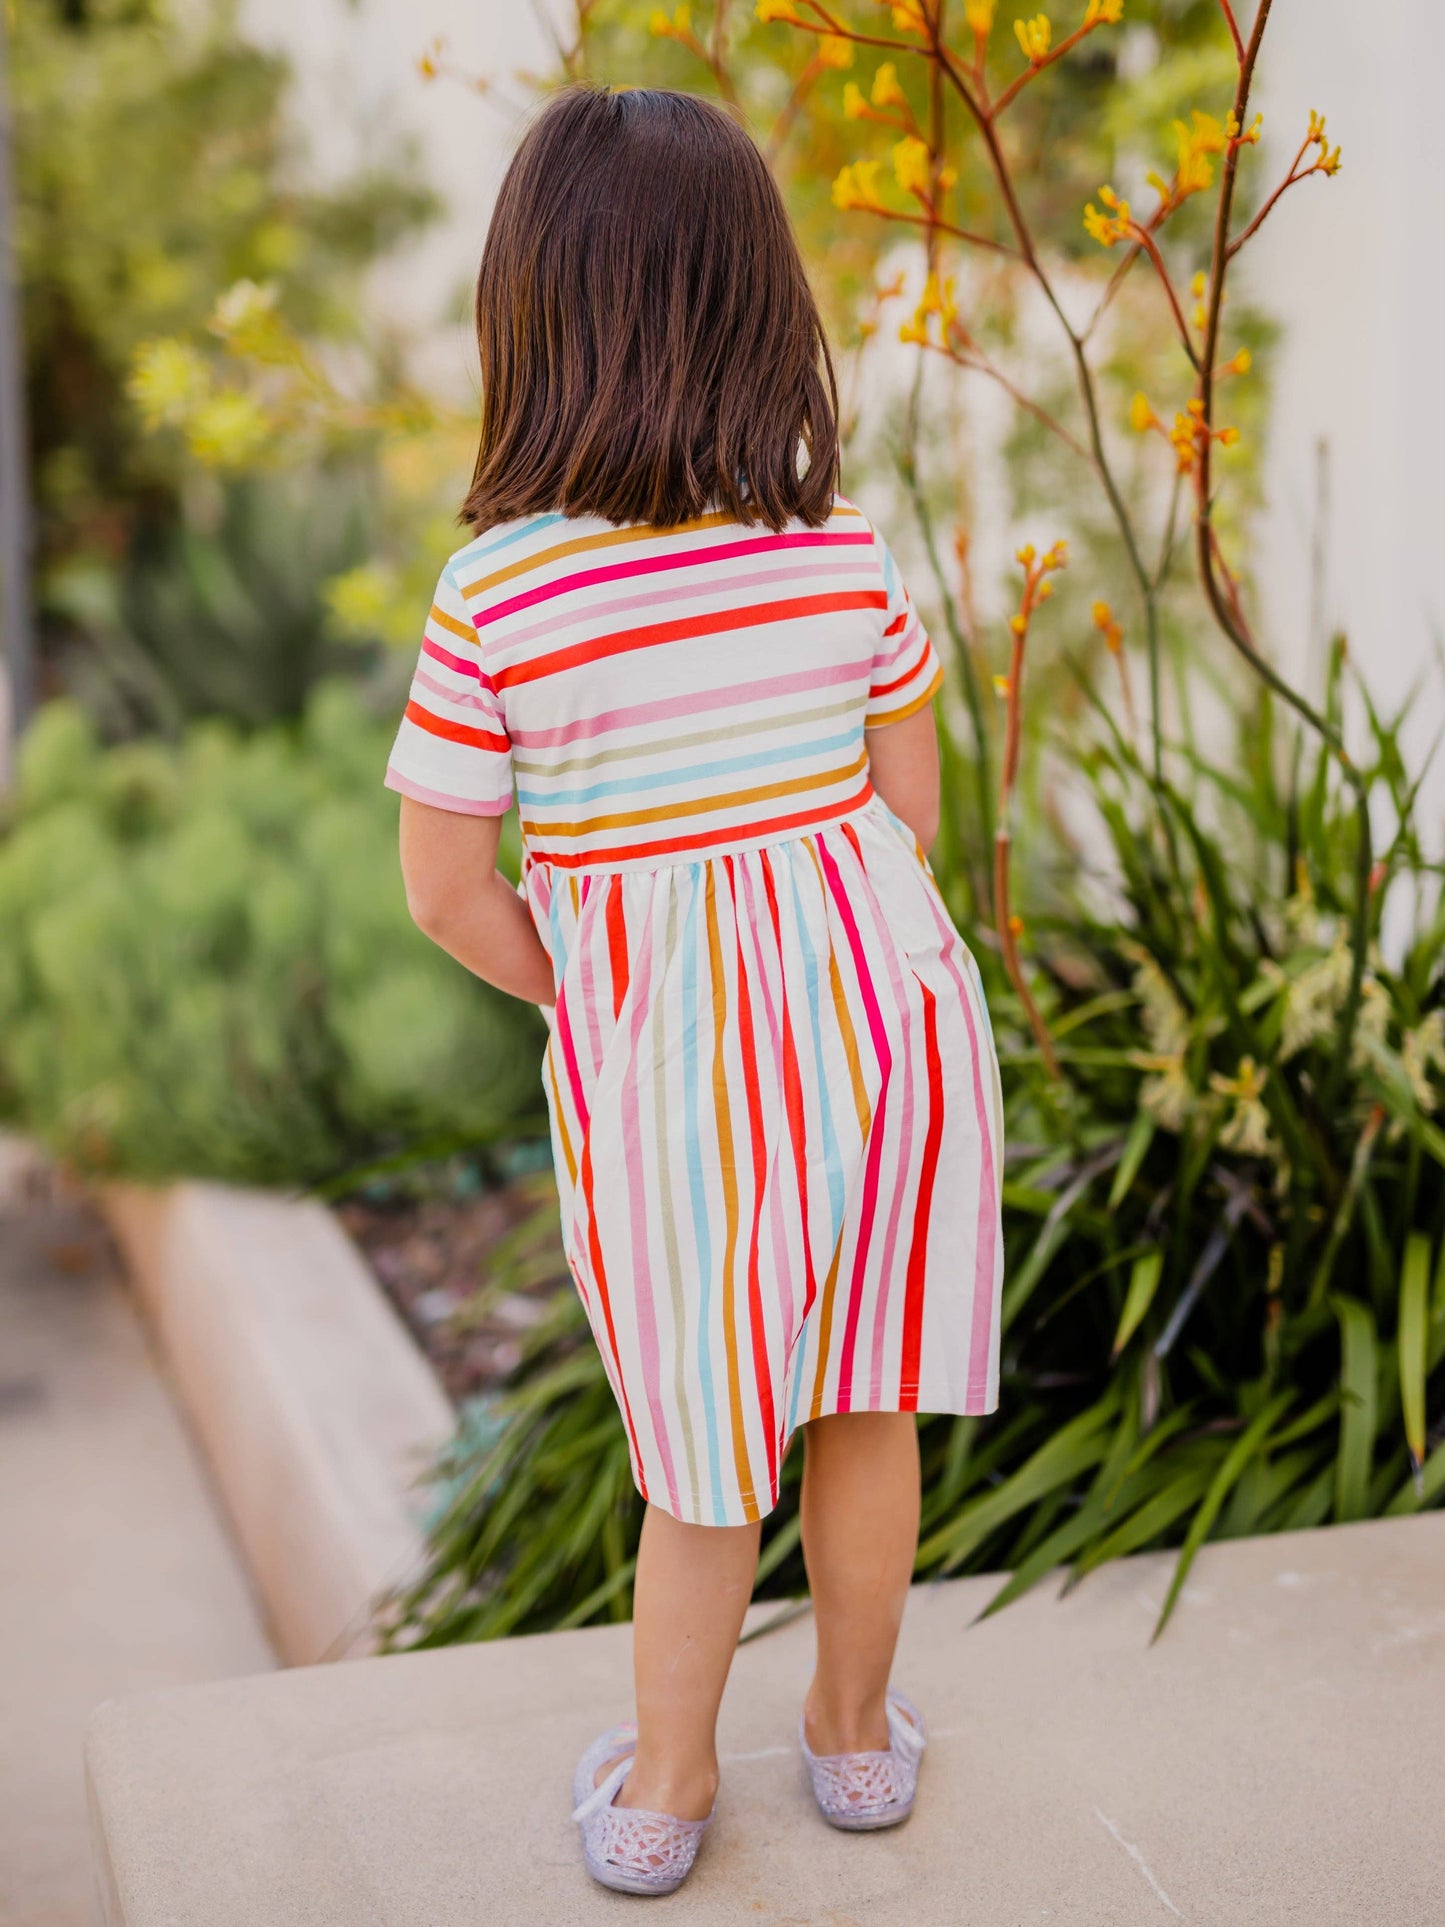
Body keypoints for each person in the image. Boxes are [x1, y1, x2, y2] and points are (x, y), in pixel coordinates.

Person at [388, 82, 1003, 1898]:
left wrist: (593, 982)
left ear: (535, 316)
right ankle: (850, 1743)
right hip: (885, 1032)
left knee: (699, 1438)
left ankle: (663, 1791)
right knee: (862, 1403)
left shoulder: (498, 596)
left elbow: (441, 887)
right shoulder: (837, 548)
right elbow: (906, 806)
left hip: (671, 1079)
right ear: (759, 307)